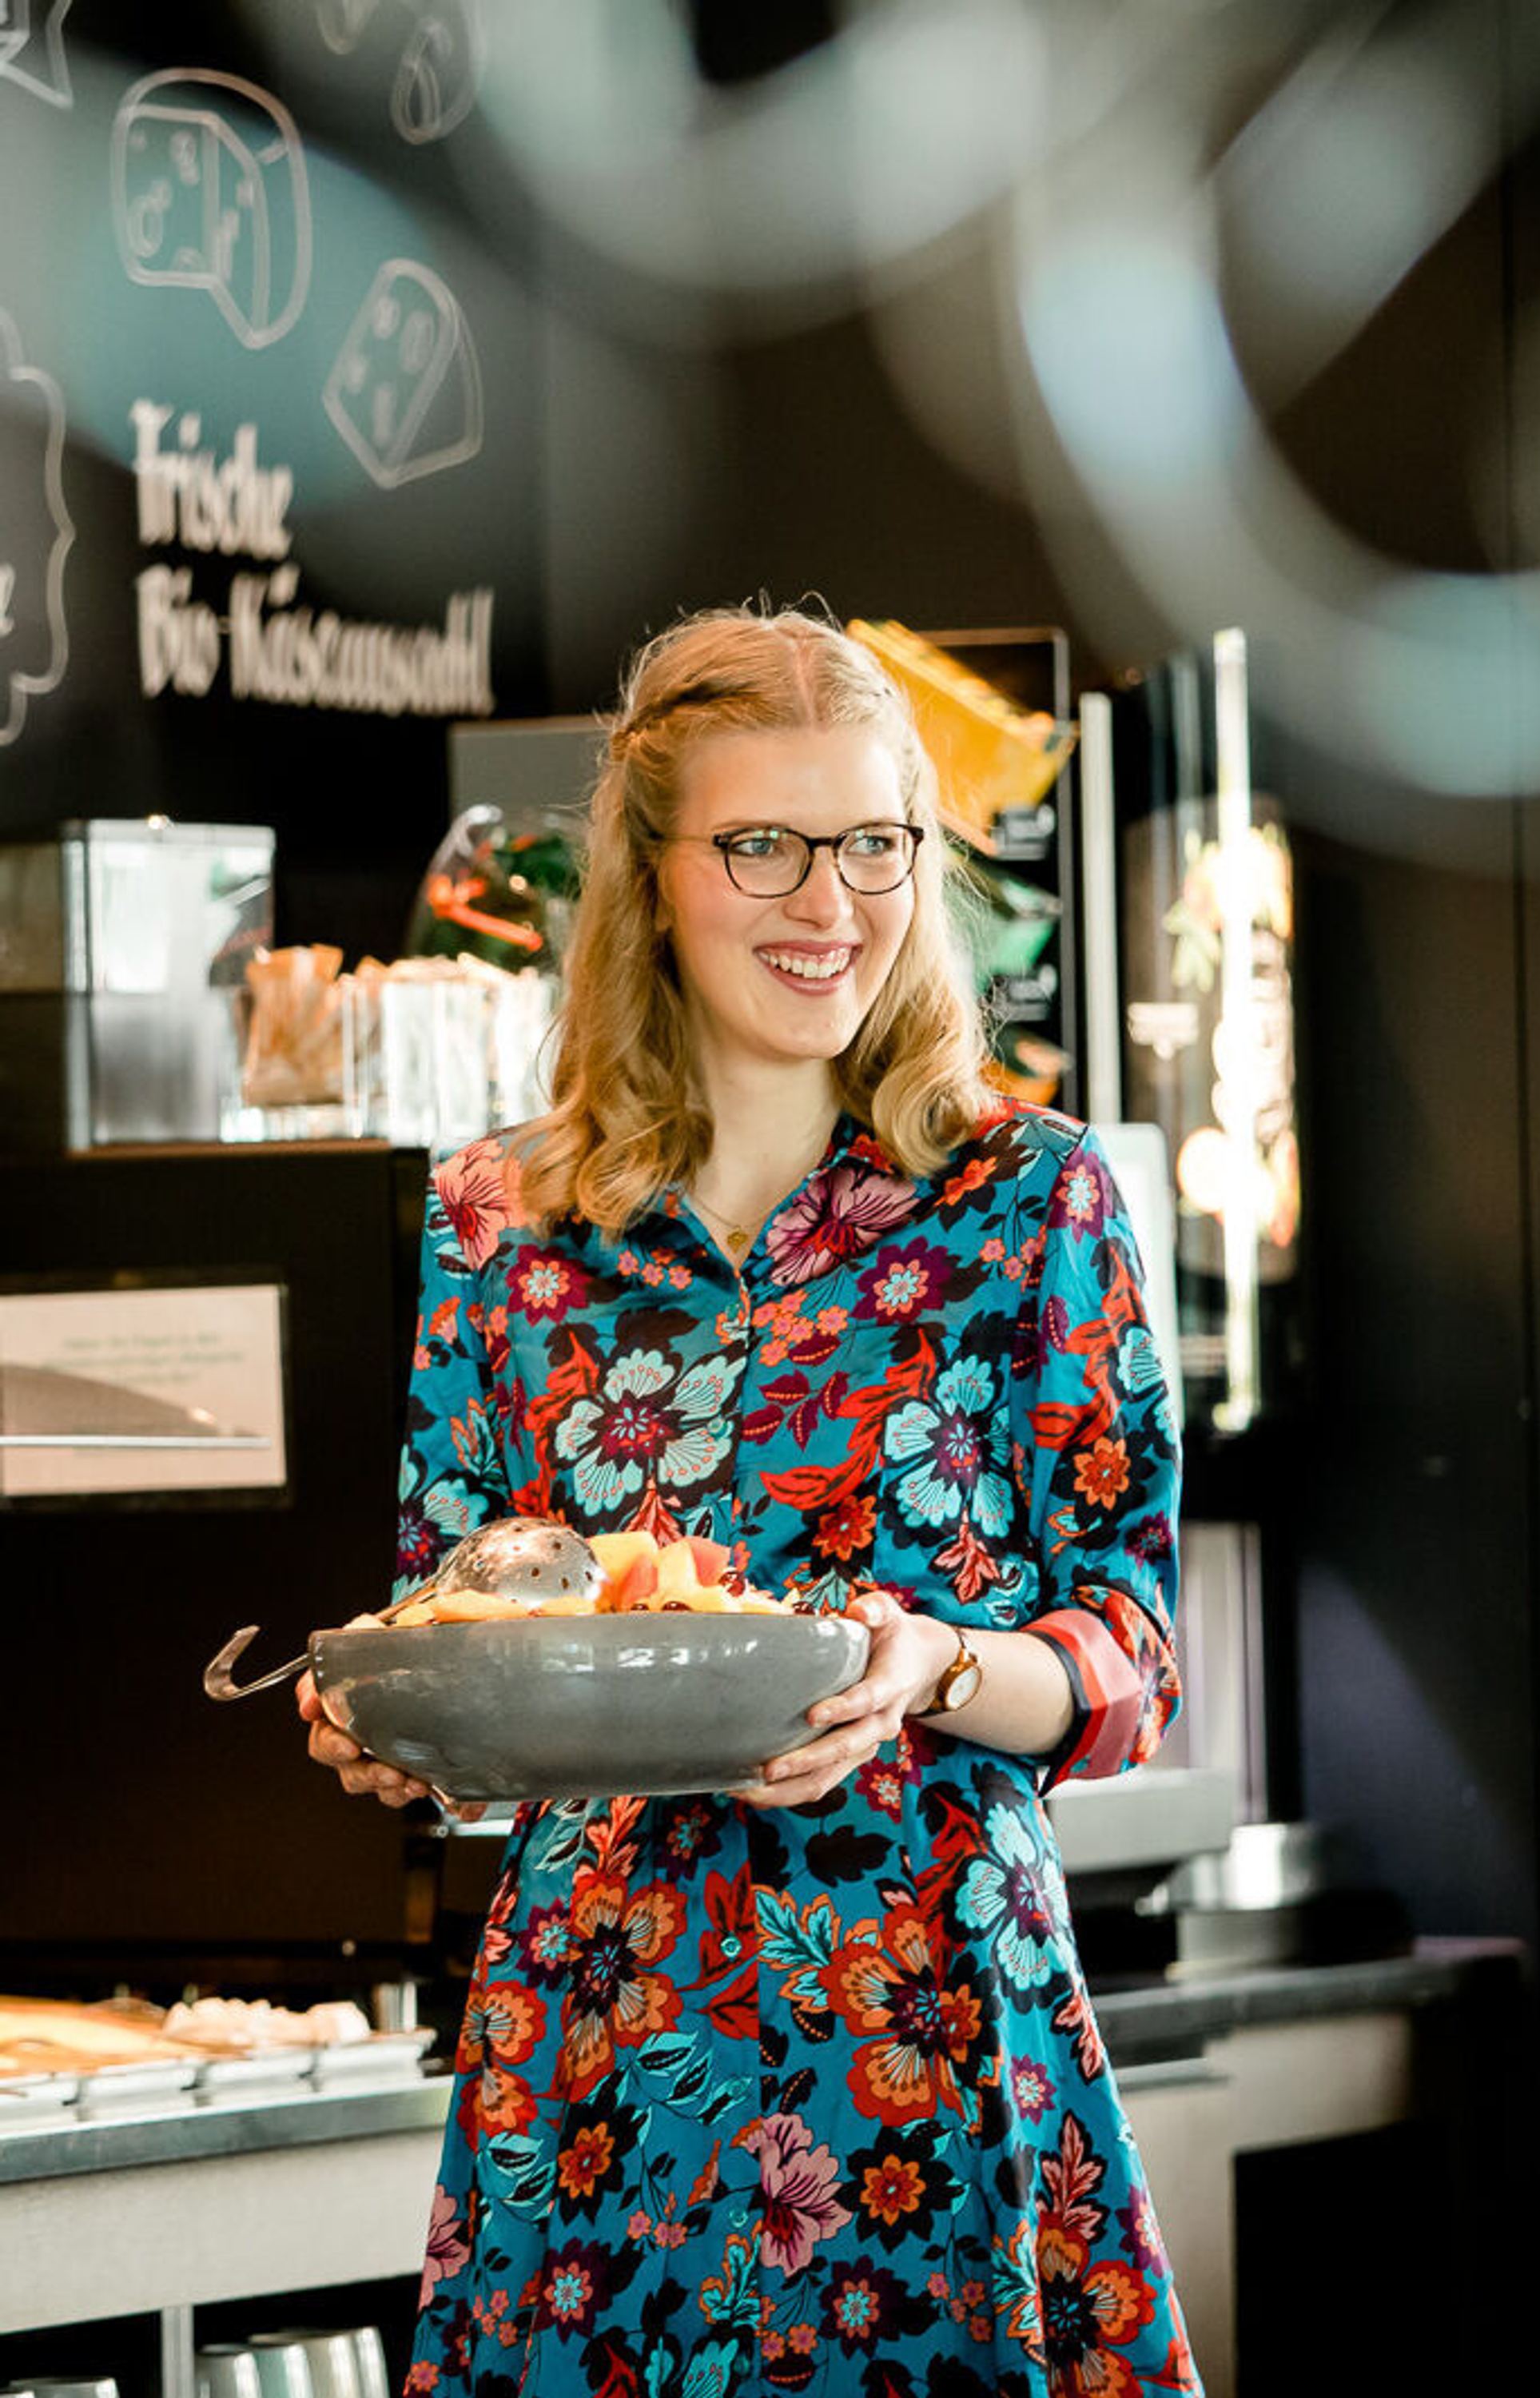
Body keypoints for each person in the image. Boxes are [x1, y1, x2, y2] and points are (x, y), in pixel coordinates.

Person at [300, 603, 1200, 2397]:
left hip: (927, 2021)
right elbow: (453, 1614)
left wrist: (928, 1662)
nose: (831, 902)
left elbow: (1130, 1662)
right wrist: (395, 1730)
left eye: (875, 843)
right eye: (765, 845)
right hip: (598, 2041)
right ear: (650, 871)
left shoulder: (1029, 1198)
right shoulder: (502, 1225)